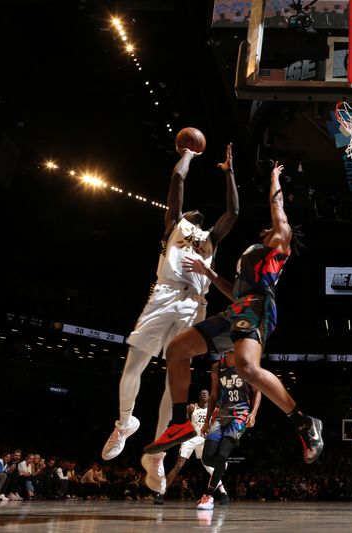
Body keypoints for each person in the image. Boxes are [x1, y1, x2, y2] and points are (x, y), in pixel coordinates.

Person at [142, 162, 323, 465]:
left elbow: (277, 206)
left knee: (246, 368)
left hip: (259, 306)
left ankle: (303, 421)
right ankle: (179, 422)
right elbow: (235, 292)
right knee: (176, 350)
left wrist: (274, 177)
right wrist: (207, 272)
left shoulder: (280, 241)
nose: (267, 227)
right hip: (237, 306)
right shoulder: (252, 253)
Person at [100, 143, 240, 496]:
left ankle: (157, 455)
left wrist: (230, 172)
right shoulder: (173, 227)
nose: (195, 213)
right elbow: (177, 180)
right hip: (164, 295)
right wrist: (189, 154)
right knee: (134, 363)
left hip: (195, 304)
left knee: (174, 380)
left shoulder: (210, 240)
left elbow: (233, 211)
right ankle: (125, 422)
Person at [196, 349, 262, 510]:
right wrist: (206, 422)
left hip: (240, 414)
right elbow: (213, 395)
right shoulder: (217, 367)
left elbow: (258, 390)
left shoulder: (246, 366)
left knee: (222, 455)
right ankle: (221, 465)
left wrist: (253, 413)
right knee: (206, 457)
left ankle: (209, 495)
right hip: (222, 413)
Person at [163, 390, 230, 503]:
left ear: (209, 397)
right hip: (190, 438)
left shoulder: (214, 409)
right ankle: (161, 493)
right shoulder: (192, 407)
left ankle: (224, 493)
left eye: (206, 393)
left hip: (204, 439)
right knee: (178, 465)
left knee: (210, 468)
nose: (204, 394)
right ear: (199, 396)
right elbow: (183, 422)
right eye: (202, 392)